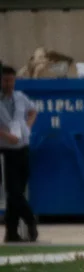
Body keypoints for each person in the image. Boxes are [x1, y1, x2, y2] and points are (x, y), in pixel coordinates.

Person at [0, 64, 39, 243]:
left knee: (17, 193)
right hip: (6, 150)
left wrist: (27, 127)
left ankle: (12, 232)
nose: (9, 84)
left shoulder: (20, 97)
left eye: (11, 80)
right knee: (13, 192)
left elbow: (32, 111)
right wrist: (6, 136)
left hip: (22, 148)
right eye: (6, 80)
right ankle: (30, 220)